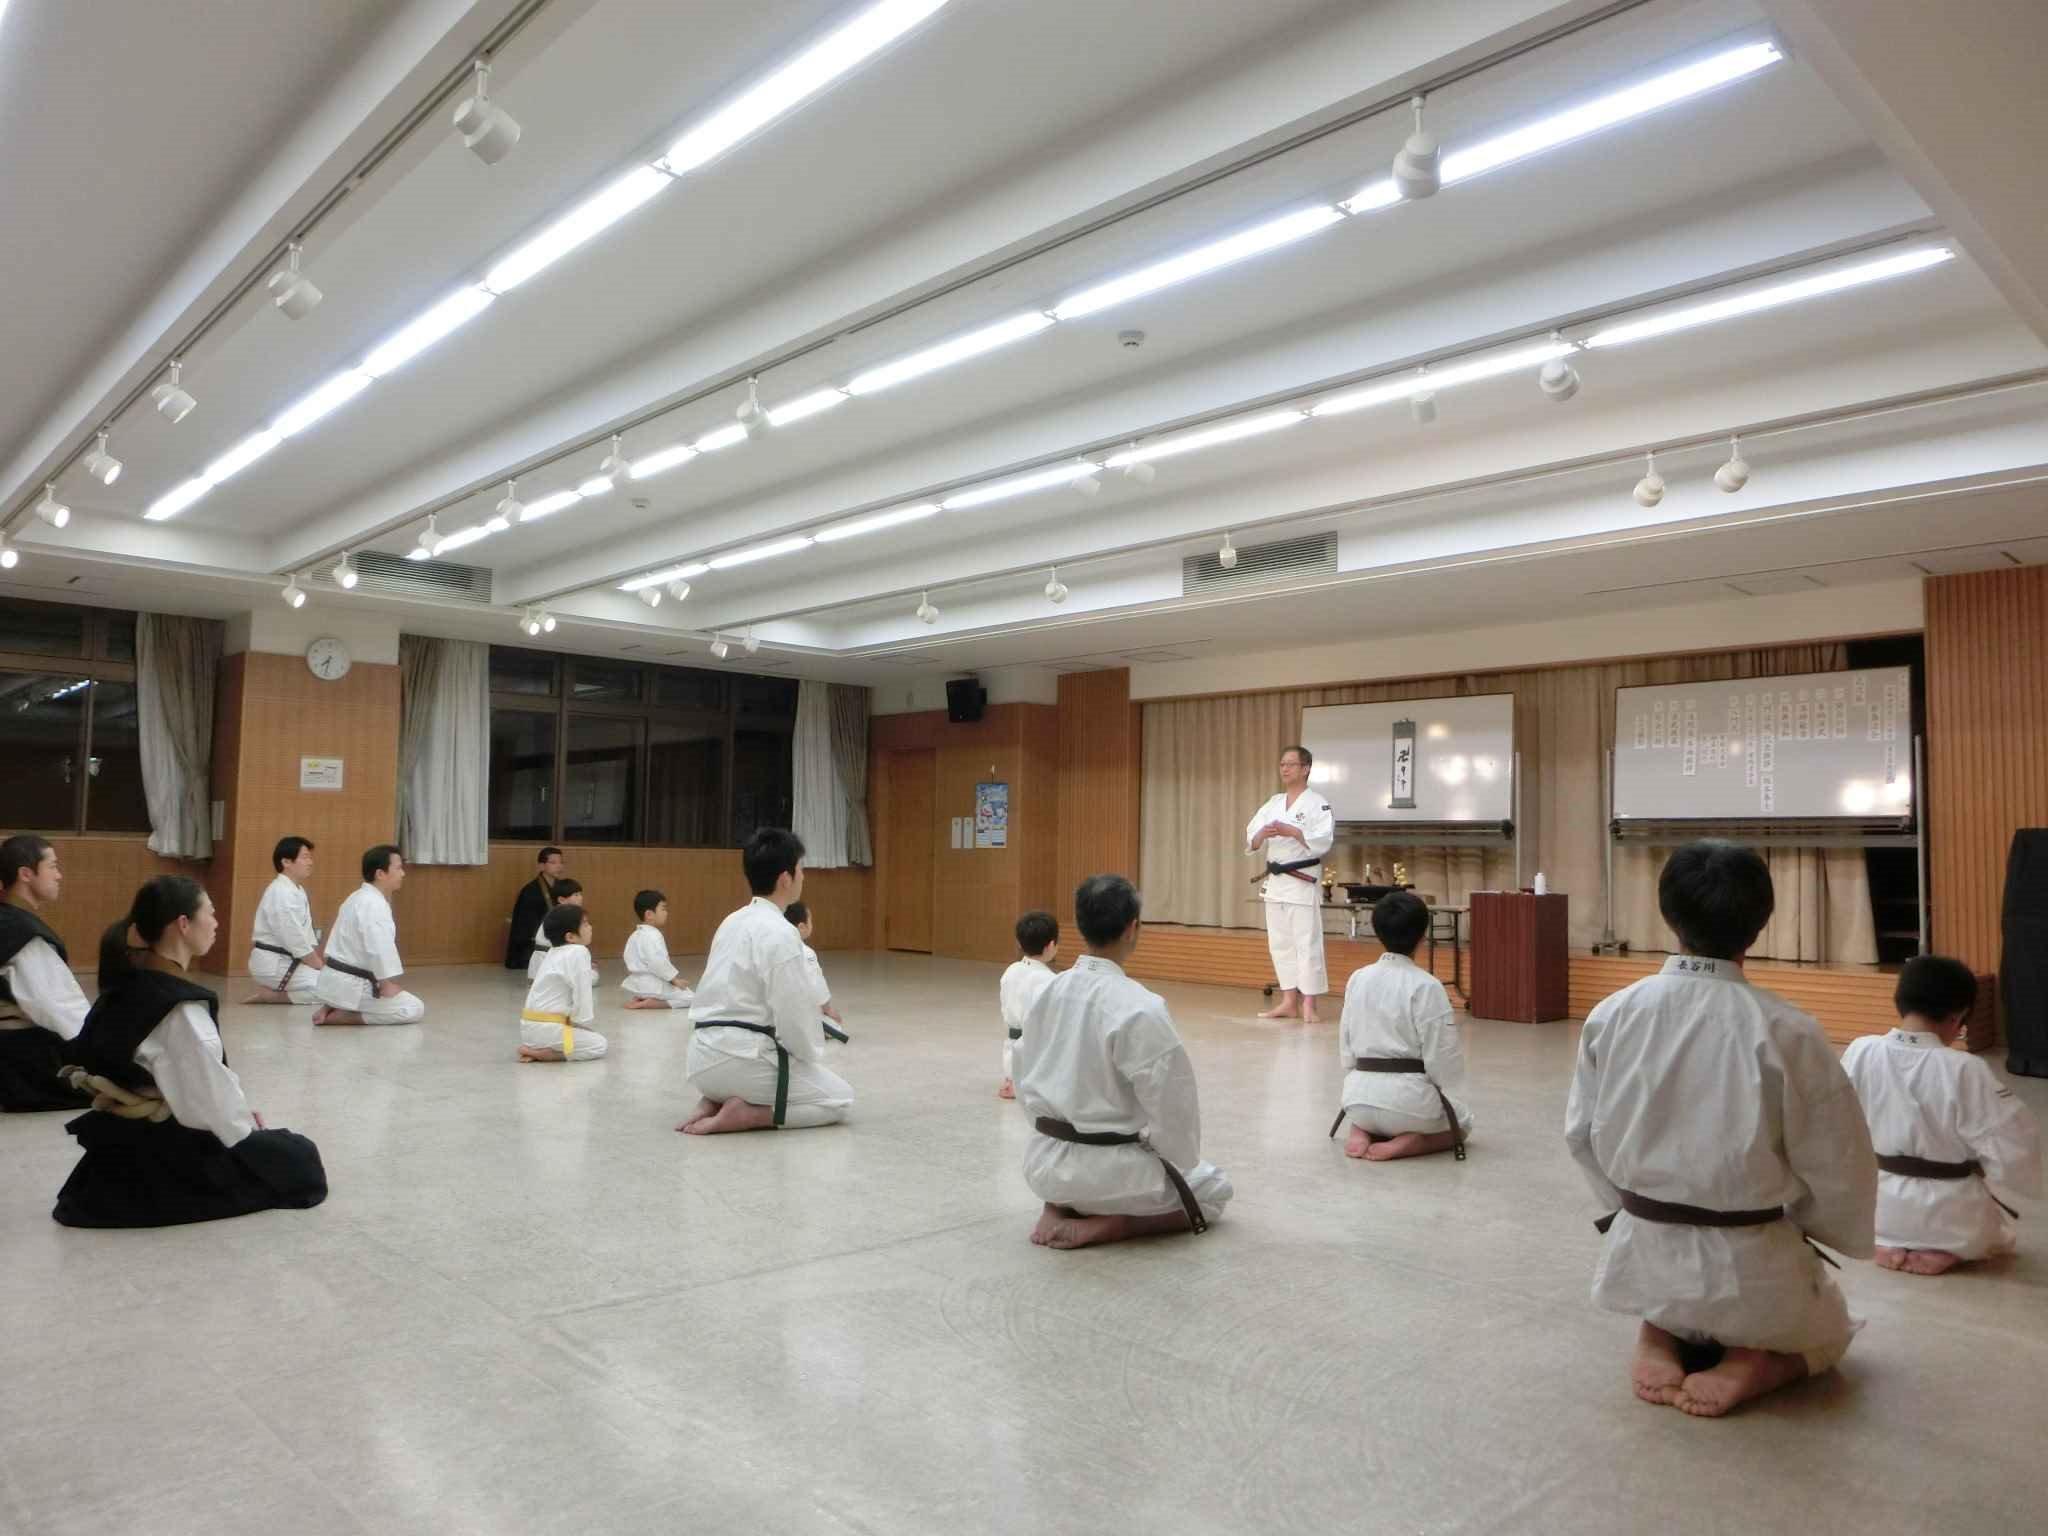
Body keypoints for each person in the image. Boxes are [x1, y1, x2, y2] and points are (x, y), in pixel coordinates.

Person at [1566, 840, 1876, 1418]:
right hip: (1748, 1261)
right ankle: (1758, 1360)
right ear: (1759, 927)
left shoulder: (1612, 1013)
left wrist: (1628, 1208)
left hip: (1644, 1252)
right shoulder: (1790, 1030)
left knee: (1670, 1288)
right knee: (1831, 1332)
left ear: (1666, 914)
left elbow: (1582, 1134)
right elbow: (1838, 1162)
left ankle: (1658, 1336)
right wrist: (1816, 1228)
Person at [52, 875, 327, 1227]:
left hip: (111, 1158)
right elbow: (211, 1106)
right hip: (160, 1159)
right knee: (300, 1159)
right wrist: (250, 1132)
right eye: (209, 913)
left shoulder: (122, 989)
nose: (215, 923)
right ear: (183, 924)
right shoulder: (177, 1011)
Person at [1016, 874, 1232, 1248]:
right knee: (1214, 1190)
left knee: (1082, 1168)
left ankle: (1059, 1205)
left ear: (1080, 926)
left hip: (1042, 1163)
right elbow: (1172, 1104)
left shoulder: (1046, 992)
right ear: (1133, 928)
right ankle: (1115, 1226)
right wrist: (1176, 1157)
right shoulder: (1139, 1006)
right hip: (1111, 1174)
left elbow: (1022, 1074)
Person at [1842, 956, 2041, 1275]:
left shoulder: (1861, 1050)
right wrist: (2011, 1176)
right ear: (1959, 1016)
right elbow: (2013, 1142)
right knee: (1996, 1236)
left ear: (1900, 1001)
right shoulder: (1964, 1068)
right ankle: (1947, 1251)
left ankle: (1887, 1242)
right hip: (1949, 1216)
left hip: (1879, 1204)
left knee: (1880, 1213)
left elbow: (1837, 1125)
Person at [678, 829, 852, 1134]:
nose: (803, 877)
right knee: (838, 1099)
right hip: (741, 1061)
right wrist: (810, 1058)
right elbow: (794, 1013)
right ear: (785, 878)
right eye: (800, 869)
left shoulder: (732, 920)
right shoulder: (781, 932)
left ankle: (718, 1099)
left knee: (772, 1066)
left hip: (700, 1061)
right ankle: (749, 1115)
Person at [1332, 890, 1472, 1161]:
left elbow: (1346, 1047)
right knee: (1464, 1121)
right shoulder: (1427, 985)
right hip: (1409, 1104)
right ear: (1422, 935)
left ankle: (1360, 1129)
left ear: (1377, 930)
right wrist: (1440, 1085)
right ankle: (1412, 1142)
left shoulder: (1357, 978)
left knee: (1371, 1109)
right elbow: (1442, 1058)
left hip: (1356, 1097)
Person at [0, 834, 92, 1112]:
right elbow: (57, 1007)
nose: (59, 875)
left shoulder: (10, 921)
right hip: (22, 1064)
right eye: (52, 866)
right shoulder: (21, 934)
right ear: (26, 874)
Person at [1244, 744, 1334, 1024]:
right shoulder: (1273, 802)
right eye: (1282, 764)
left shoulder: (1318, 803)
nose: (1284, 768)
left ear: (1305, 769)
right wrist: (1262, 833)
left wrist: (1293, 831)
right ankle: (1288, 1001)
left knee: (1306, 944)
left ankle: (1310, 1004)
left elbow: (1323, 841)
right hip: (1276, 882)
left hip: (1302, 882)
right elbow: (1252, 840)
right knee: (1280, 944)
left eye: (1291, 764)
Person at [311, 845, 425, 1026]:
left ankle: (334, 1006)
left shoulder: (357, 897)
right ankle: (345, 1016)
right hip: (352, 984)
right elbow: (378, 947)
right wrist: (386, 984)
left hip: (338, 981)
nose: (403, 874)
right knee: (413, 1008)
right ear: (380, 874)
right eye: (398, 868)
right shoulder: (373, 904)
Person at [517, 904, 606, 1062]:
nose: (590, 927)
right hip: (550, 1030)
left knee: (582, 1036)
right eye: (585, 923)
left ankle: (537, 1047)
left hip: (529, 1029)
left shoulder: (553, 952)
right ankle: (547, 1054)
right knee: (599, 1044)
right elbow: (582, 994)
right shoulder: (579, 952)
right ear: (570, 936)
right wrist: (582, 1022)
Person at [245, 835, 325, 1005]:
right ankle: (274, 997)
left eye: (310, 857)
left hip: (287, 961)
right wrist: (317, 965)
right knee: (331, 990)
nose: (310, 862)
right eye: (305, 857)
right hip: (273, 963)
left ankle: (275, 993)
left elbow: (306, 935)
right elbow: (293, 936)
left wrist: (316, 964)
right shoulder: (280, 892)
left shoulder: (297, 890)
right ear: (286, 862)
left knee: (336, 985)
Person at [997, 910, 1059, 1100]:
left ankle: (1011, 1079)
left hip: (1011, 1046)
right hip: (1036, 1050)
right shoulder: (1050, 980)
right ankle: (1022, 1084)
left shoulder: (1011, 971)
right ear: (1051, 945)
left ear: (1019, 943)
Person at [786, 901, 848, 1042]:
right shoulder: (806, 953)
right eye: (811, 921)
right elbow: (817, 985)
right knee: (835, 1026)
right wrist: (828, 1010)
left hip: (776, 1014)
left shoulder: (775, 948)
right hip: (799, 1017)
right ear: (801, 927)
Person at [623, 889, 693, 1009]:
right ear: (649, 914)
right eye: (663, 909)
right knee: (692, 998)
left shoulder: (635, 935)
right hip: (653, 986)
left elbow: (627, 957)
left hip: (638, 986)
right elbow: (657, 962)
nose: (666, 912)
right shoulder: (653, 935)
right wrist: (674, 980)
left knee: (680, 992)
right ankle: (653, 1003)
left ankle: (642, 997)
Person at [504, 846, 564, 971]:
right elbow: (525, 925)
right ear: (541, 866)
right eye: (553, 862)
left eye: (561, 862)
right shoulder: (530, 891)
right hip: (532, 943)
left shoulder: (562, 887)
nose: (559, 866)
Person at [525, 878, 584, 981]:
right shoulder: (563, 915)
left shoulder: (558, 912)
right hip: (547, 961)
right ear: (561, 900)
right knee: (590, 976)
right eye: (576, 895)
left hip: (544, 962)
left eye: (580, 894)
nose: (581, 898)